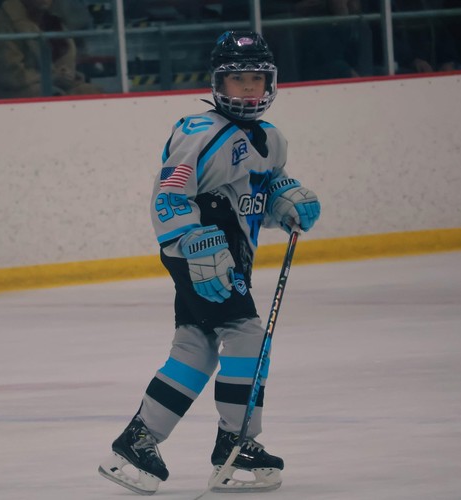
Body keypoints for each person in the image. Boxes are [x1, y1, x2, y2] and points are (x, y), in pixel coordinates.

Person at [98, 31, 321, 495]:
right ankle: (237, 444)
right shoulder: (198, 132)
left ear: (270, 83)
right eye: (238, 79)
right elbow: (170, 195)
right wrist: (193, 240)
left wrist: (285, 200)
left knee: (195, 347)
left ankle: (138, 442)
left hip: (231, 255)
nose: (248, 88)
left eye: (256, 79)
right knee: (247, 335)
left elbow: (260, 188)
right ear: (218, 83)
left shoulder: (271, 138)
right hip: (198, 253)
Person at [0, 0, 101, 99]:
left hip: (53, 84)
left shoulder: (54, 17)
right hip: (12, 92)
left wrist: (68, 75)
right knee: (52, 95)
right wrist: (52, 77)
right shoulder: (3, 22)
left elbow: (66, 59)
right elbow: (11, 76)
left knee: (91, 91)